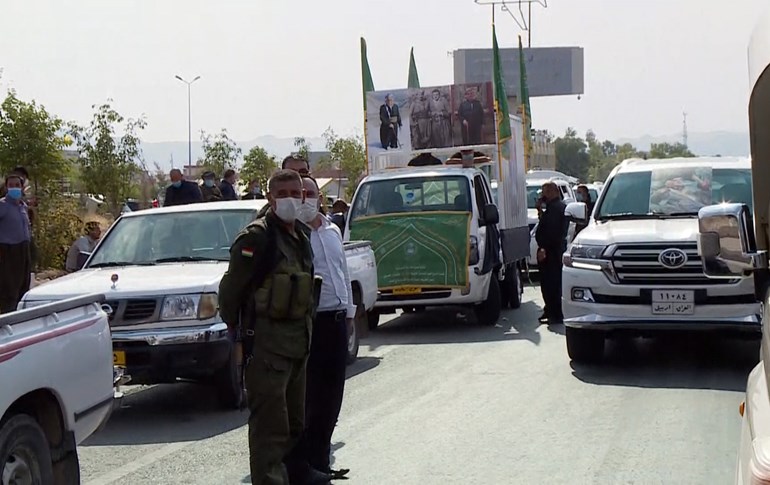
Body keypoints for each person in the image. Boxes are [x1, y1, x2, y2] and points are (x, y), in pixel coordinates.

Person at [219, 170, 320, 485]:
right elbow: (231, 290)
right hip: (267, 350)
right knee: (269, 430)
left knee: (293, 425)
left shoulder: (299, 236)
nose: (291, 198)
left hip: (297, 347)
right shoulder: (256, 238)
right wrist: (238, 333)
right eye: (283, 193)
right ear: (270, 197)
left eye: (296, 192)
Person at [286, 176, 354, 484]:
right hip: (311, 323)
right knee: (308, 398)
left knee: (332, 397)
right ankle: (305, 464)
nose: (307, 198)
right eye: (302, 194)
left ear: (320, 197)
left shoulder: (332, 230)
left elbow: (343, 271)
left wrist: (350, 313)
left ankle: (322, 461)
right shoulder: (293, 236)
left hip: (337, 321)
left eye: (311, 193)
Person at [535, 182, 569, 325]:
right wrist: (540, 211)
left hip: (552, 252)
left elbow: (552, 232)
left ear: (553, 192)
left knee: (551, 284)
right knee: (550, 283)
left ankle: (555, 313)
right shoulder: (551, 208)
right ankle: (550, 310)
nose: (543, 196)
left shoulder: (556, 208)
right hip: (552, 250)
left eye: (546, 192)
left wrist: (544, 248)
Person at [0, 174, 32, 314]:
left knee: (23, 286)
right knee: (9, 289)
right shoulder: (2, 205)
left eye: (17, 185)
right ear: (6, 187)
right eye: (11, 185)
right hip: (7, 251)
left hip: (23, 249)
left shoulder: (22, 206)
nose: (14, 188)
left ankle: (20, 316)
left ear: (22, 187)